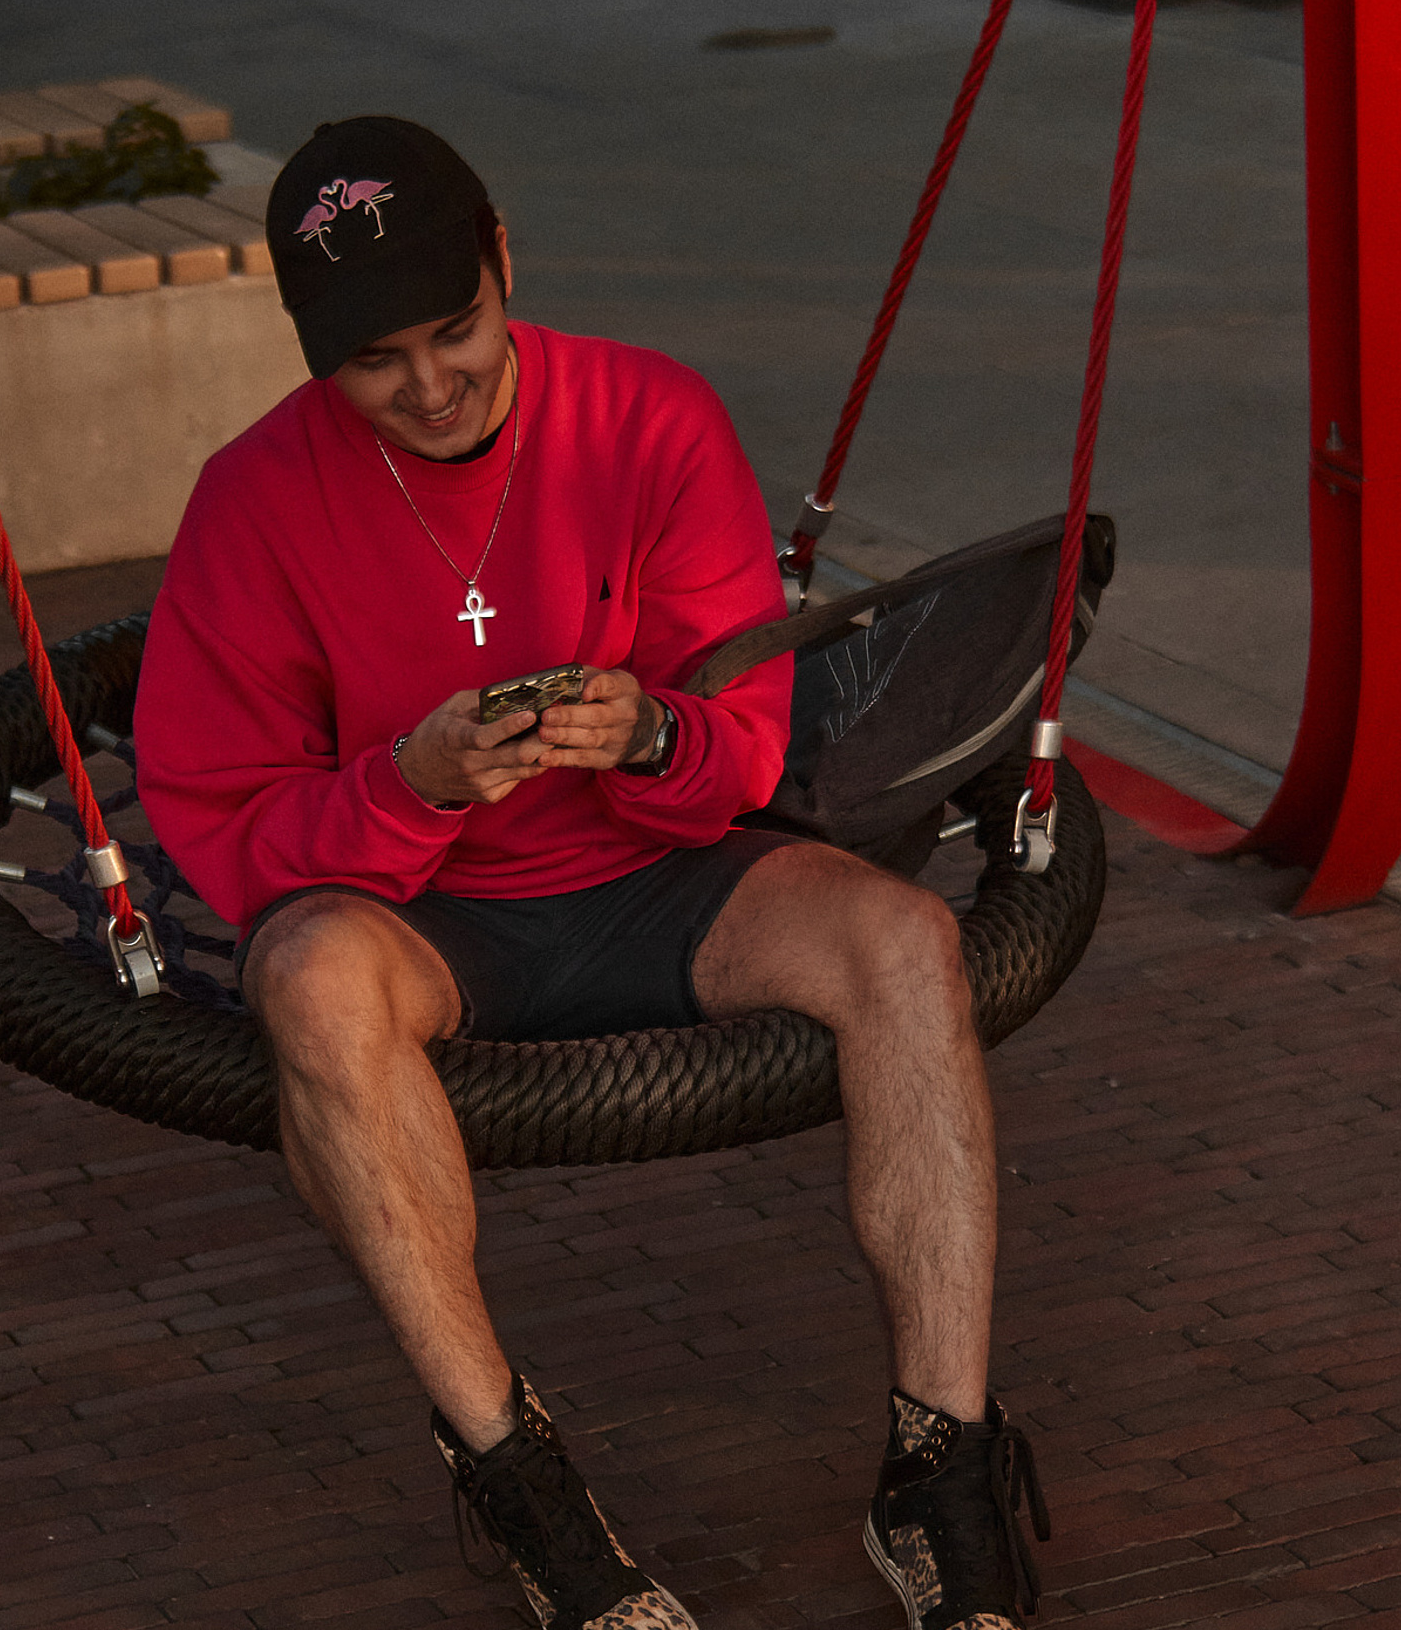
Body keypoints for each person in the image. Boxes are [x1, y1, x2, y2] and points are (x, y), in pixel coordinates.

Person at [135, 116, 1048, 1630]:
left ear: (505, 260)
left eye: (455, 329)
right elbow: (218, 820)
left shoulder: (648, 415)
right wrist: (409, 782)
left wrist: (649, 732)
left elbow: (746, 745)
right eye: (373, 361)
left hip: (659, 878)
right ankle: (516, 1475)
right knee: (304, 978)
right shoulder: (251, 498)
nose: (430, 386)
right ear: (308, 349)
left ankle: (941, 1462)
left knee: (904, 942)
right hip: (424, 919)